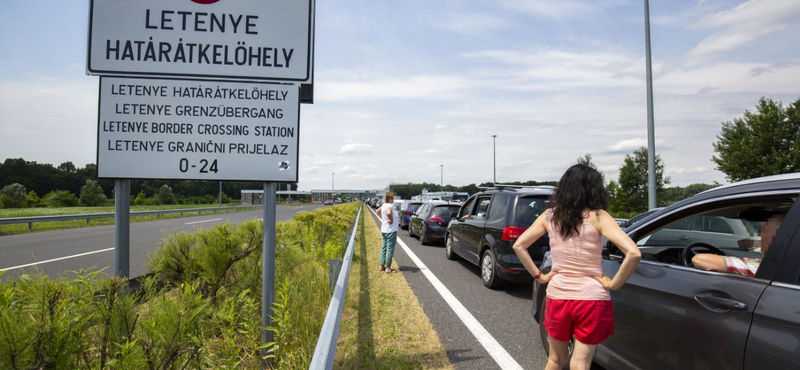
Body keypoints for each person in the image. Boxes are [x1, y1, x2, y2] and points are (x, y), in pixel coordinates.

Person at [512, 164, 641, 370]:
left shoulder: (549, 216)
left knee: (555, 359)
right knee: (580, 362)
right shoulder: (599, 216)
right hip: (592, 298)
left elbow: (519, 245)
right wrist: (614, 283)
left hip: (558, 295)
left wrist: (540, 276)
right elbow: (634, 253)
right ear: (594, 189)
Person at [692, 211, 786, 276]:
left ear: (779, 237)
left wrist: (719, 259)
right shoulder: (787, 263)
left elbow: (699, 260)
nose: (759, 234)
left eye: (765, 230)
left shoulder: (764, 267)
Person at [376, 192, 399, 274]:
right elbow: (389, 212)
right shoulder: (389, 206)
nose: (393, 200)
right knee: (390, 249)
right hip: (391, 230)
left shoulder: (384, 205)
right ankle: (388, 267)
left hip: (384, 229)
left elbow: (377, 211)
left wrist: (383, 219)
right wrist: (391, 220)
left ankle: (382, 265)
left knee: (384, 248)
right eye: (392, 198)